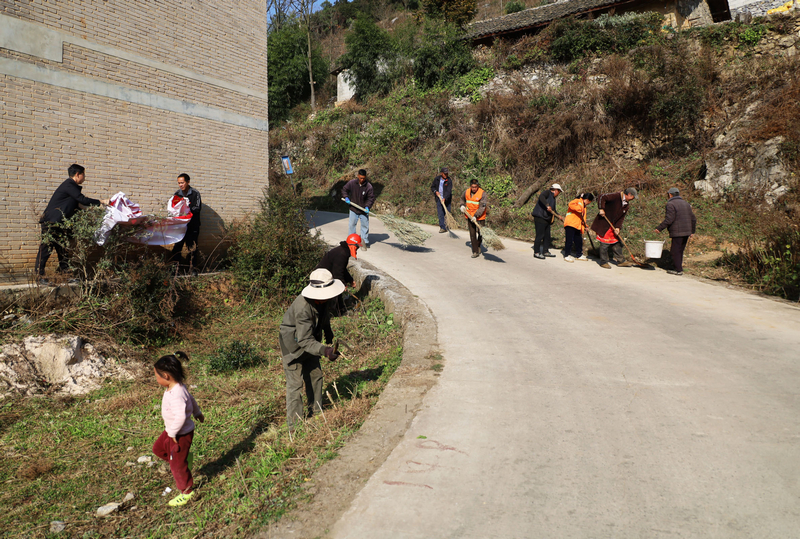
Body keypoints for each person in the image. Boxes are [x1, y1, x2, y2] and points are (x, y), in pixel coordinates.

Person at [279, 269, 343, 429]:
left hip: (311, 341)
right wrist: (326, 351)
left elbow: (323, 316)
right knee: (295, 385)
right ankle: (295, 426)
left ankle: (316, 411)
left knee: (316, 375)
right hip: (293, 345)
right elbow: (304, 340)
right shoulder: (303, 308)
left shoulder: (324, 300)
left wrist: (327, 331)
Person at [35, 164, 109, 283]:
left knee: (63, 250)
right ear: (77, 174)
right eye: (83, 175)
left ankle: (67, 276)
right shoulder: (69, 185)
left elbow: (78, 205)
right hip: (52, 222)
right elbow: (82, 200)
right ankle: (39, 277)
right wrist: (101, 201)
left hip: (60, 224)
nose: (84, 177)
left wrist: (96, 211)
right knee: (46, 249)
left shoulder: (71, 188)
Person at [152, 351, 204, 507]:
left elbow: (181, 416)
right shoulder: (177, 387)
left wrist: (173, 433)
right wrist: (197, 412)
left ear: (166, 376)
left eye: (157, 376)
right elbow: (192, 399)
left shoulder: (177, 394)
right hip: (172, 431)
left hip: (180, 434)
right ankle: (181, 460)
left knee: (177, 466)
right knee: (158, 449)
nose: (156, 379)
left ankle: (187, 492)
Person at [590, 188, 638, 269]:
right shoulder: (616, 196)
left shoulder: (626, 205)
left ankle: (621, 261)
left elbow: (621, 218)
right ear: (629, 194)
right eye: (633, 197)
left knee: (616, 242)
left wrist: (618, 228)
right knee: (604, 244)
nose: (633, 199)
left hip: (613, 226)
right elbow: (602, 197)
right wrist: (601, 208)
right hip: (604, 223)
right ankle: (603, 262)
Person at [654, 187, 697, 276]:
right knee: (680, 250)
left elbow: (669, 219)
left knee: (675, 251)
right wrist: (692, 231)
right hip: (687, 231)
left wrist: (659, 228)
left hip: (677, 231)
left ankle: (678, 269)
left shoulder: (671, 204)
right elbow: (693, 218)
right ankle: (678, 267)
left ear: (670, 194)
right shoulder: (686, 204)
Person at [316, 234, 361, 314]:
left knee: (338, 289)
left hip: (327, 274)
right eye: (357, 247)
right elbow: (338, 272)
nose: (357, 249)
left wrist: (350, 280)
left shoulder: (344, 251)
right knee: (336, 291)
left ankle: (340, 310)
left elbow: (342, 269)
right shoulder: (342, 254)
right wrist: (343, 284)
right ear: (353, 246)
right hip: (321, 276)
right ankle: (336, 312)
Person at [170, 173, 202, 274]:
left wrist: (186, 209)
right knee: (177, 247)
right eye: (179, 183)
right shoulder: (177, 194)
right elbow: (173, 208)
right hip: (180, 226)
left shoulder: (195, 193)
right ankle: (174, 270)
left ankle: (192, 270)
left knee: (192, 247)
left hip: (192, 226)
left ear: (188, 182)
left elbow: (197, 208)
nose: (180, 185)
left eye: (182, 182)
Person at [342, 169, 376, 250]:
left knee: (365, 226)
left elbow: (371, 198)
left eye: (363, 178)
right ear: (358, 176)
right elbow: (344, 190)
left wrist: (367, 206)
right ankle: (352, 241)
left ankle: (364, 241)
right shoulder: (352, 183)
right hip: (353, 209)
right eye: (360, 178)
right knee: (352, 225)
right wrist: (346, 197)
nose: (362, 180)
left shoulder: (368, 186)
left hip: (363, 210)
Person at [531, 184, 564, 260]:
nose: (558, 194)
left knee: (547, 236)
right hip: (540, 217)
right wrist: (547, 205)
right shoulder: (547, 193)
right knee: (540, 235)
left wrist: (558, 216)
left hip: (547, 219)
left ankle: (545, 251)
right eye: (559, 192)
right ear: (556, 190)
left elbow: (553, 210)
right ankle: (536, 252)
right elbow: (541, 197)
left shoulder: (553, 198)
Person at [460, 179, 488, 259]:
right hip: (469, 216)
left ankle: (478, 245)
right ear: (470, 186)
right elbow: (462, 199)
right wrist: (462, 205)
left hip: (480, 217)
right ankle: (475, 251)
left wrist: (476, 216)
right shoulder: (466, 192)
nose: (474, 188)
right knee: (472, 234)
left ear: (478, 186)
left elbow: (482, 206)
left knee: (480, 233)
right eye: (472, 187)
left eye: (475, 187)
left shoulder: (482, 193)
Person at [563, 193, 594, 262]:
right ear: (588, 200)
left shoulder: (584, 207)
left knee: (579, 241)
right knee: (569, 240)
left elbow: (583, 218)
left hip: (577, 225)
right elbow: (570, 204)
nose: (589, 203)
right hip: (570, 223)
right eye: (590, 202)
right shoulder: (577, 201)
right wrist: (579, 208)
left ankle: (579, 254)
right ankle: (567, 255)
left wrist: (586, 226)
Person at [431, 167, 453, 233]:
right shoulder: (437, 179)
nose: (446, 175)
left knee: (447, 212)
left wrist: (445, 198)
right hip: (439, 198)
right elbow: (432, 187)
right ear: (441, 173)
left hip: (447, 199)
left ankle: (447, 225)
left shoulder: (449, 180)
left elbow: (449, 191)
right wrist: (435, 191)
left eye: (447, 174)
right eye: (445, 174)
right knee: (440, 213)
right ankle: (442, 227)